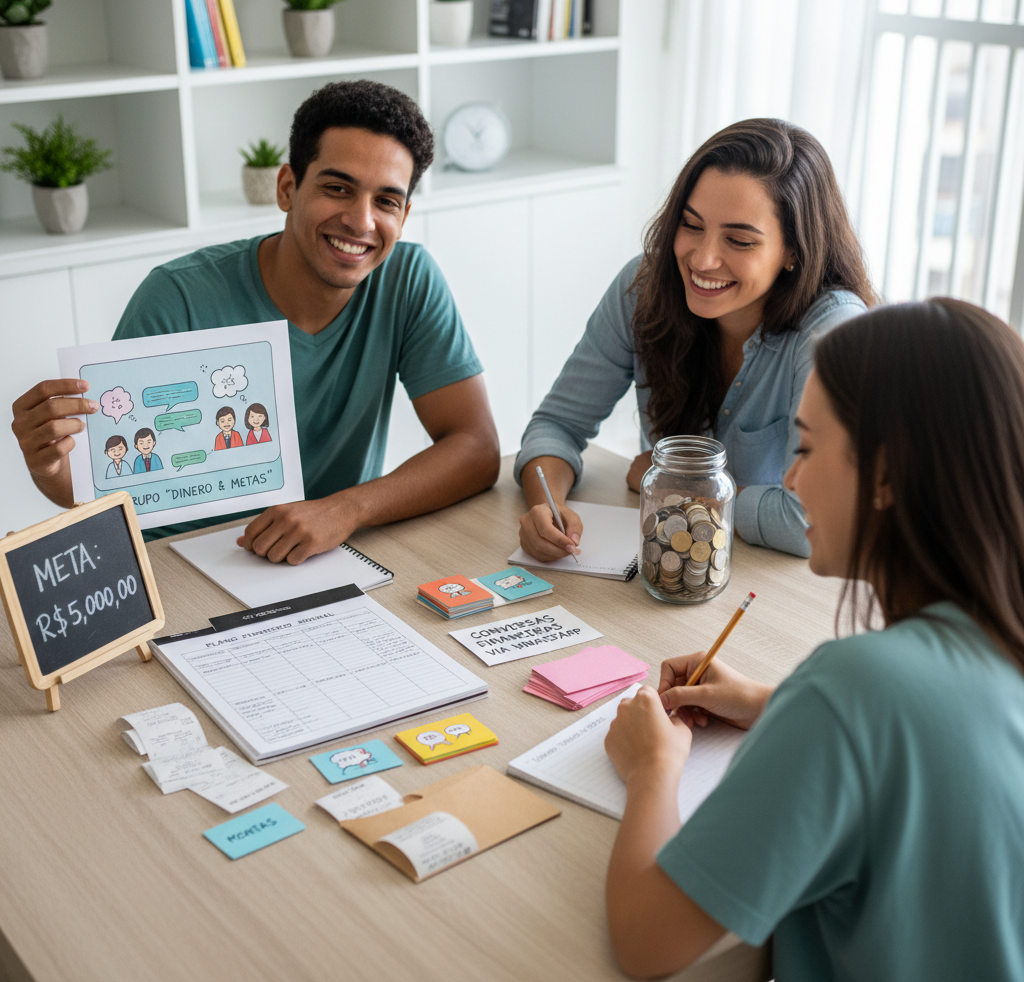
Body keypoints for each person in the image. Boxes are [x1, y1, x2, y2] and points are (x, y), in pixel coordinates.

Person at [603, 298, 1024, 980]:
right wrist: (779, 703)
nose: (791, 479)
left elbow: (647, 940)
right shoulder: (999, 639)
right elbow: (938, 743)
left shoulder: (854, 691)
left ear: (886, 474)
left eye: (804, 447)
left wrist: (653, 768)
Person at [11, 79, 500, 564]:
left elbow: (476, 449)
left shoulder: (409, 279)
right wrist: (52, 465)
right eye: (337, 188)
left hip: (327, 554)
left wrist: (346, 510)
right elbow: (103, 487)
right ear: (287, 188)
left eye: (386, 202)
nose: (361, 221)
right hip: (181, 559)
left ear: (405, 213)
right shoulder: (177, 295)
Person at [516, 119, 876, 561]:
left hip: (774, 584)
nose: (703, 259)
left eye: (740, 241)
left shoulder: (833, 332)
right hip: (673, 563)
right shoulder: (642, 288)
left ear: (794, 251)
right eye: (691, 225)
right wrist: (545, 504)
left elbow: (812, 521)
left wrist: (675, 486)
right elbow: (556, 426)